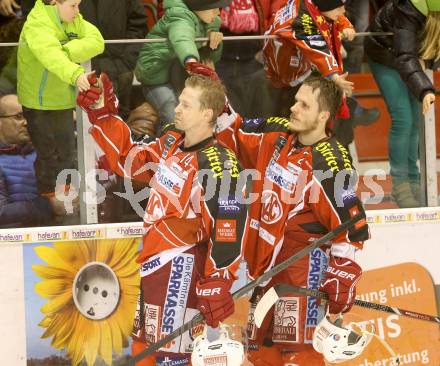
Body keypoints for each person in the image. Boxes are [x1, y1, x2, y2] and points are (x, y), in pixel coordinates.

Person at [76, 71, 247, 366]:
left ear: (207, 113)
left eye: (186, 105)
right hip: (154, 264)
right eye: (179, 102)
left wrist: (218, 280)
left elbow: (229, 228)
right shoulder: (172, 141)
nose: (177, 109)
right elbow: (130, 159)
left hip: (182, 267)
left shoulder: (220, 164)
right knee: (145, 350)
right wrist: (103, 113)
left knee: (172, 358)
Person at [215, 75, 370, 365]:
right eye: (296, 100)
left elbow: (352, 227)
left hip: (303, 270)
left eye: (304, 105)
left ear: (323, 116)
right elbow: (234, 130)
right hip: (266, 270)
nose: (294, 108)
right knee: (260, 354)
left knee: (300, 356)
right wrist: (216, 97)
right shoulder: (278, 134)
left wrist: (342, 274)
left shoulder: (331, 161)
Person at [17, 0, 104, 216]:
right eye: (73, 6)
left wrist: (66, 49)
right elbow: (51, 57)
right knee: (48, 156)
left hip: (63, 100)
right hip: (37, 102)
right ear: (55, 2)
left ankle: (68, 207)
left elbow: (97, 40)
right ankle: (49, 208)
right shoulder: (37, 24)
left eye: (79, 5)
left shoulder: (73, 20)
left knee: (67, 154)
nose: (78, 11)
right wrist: (75, 73)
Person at [364, 0, 440, 208]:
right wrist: (424, 89)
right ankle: (400, 186)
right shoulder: (408, 8)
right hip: (385, 55)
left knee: (416, 120)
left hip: (411, 59)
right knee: (403, 118)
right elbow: (404, 55)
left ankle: (414, 182)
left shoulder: (432, 15)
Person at [135, 0, 229, 132]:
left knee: (195, 108)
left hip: (179, 74)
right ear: (199, 6)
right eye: (213, 8)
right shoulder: (179, 16)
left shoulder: (210, 22)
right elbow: (182, 38)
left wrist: (214, 44)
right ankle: (166, 147)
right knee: (171, 111)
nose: (218, 12)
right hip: (155, 76)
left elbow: (212, 58)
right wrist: (191, 62)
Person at [263, 0, 356, 101]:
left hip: (298, 58)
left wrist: (346, 26)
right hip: (286, 68)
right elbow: (319, 52)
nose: (343, 11)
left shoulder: (312, 4)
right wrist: (336, 78)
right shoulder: (302, 20)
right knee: (296, 103)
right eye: (339, 8)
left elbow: (333, 10)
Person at [79, 0, 147, 120]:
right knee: (85, 124)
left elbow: (138, 23)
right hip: (83, 70)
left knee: (120, 123)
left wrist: (127, 58)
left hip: (120, 67)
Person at [0, 94, 53, 227]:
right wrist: (49, 205)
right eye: (18, 117)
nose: (26, 122)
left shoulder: (44, 155)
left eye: (29, 116)